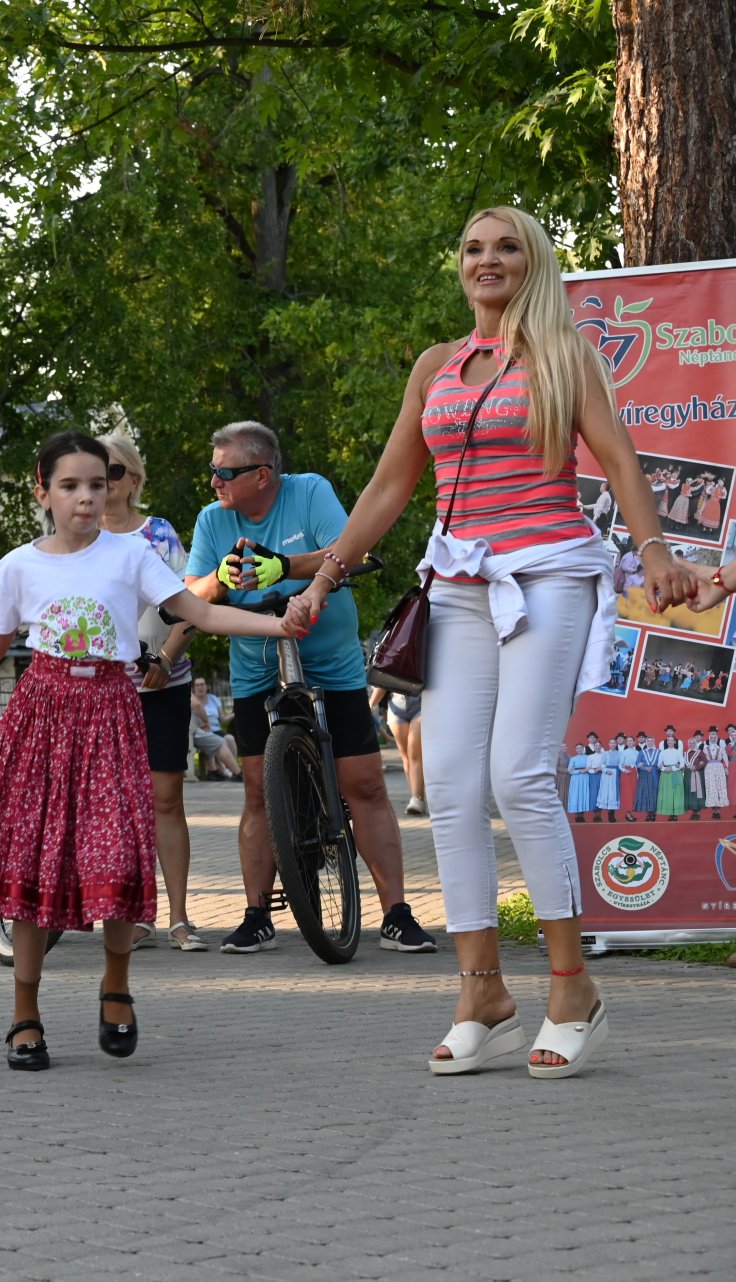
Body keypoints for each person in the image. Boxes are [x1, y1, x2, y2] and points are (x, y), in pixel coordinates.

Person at [295, 205, 694, 1078]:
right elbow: (389, 486)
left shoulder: (563, 356)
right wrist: (325, 577)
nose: (489, 260)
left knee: (520, 774)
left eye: (507, 247)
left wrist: (656, 550)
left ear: (533, 263)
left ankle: (572, 988)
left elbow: (620, 462)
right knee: (449, 783)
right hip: (459, 583)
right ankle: (482, 993)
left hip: (548, 574)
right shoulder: (436, 366)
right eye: (474, 248)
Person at [0, 432, 303, 1070]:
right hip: (42, 719)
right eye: (70, 486)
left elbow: (202, 613)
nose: (86, 498)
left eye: (97, 485)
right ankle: (24, 1012)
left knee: (120, 855)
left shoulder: (131, 555)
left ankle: (117, 984)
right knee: (35, 868)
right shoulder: (17, 567)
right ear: (41, 492)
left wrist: (277, 622)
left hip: (112, 714)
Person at [184, 420, 438, 957]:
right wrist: (222, 579)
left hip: (329, 659)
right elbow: (191, 595)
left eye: (224, 472)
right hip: (255, 663)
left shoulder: (310, 492)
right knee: (257, 790)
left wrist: (282, 567)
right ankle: (256, 915)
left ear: (263, 474)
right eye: (212, 471)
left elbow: (352, 552)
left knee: (364, 784)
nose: (213, 482)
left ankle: (397, 914)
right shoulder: (213, 519)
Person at [99, 434, 208, 951]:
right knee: (116, 803)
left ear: (134, 479)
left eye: (113, 471)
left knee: (166, 797)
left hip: (161, 681)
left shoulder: (157, 533)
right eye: (94, 472)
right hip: (101, 690)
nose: (103, 482)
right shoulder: (77, 535)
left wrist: (165, 658)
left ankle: (179, 918)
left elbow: (190, 603)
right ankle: (134, 913)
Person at [189, 677, 241, 781]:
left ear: (206, 686)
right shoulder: (192, 699)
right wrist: (205, 722)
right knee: (218, 741)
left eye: (202, 684)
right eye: (197, 685)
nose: (200, 687)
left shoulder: (213, 698)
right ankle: (227, 771)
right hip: (202, 729)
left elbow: (223, 719)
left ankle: (230, 769)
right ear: (194, 688)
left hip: (215, 728)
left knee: (230, 738)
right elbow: (196, 709)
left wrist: (235, 714)